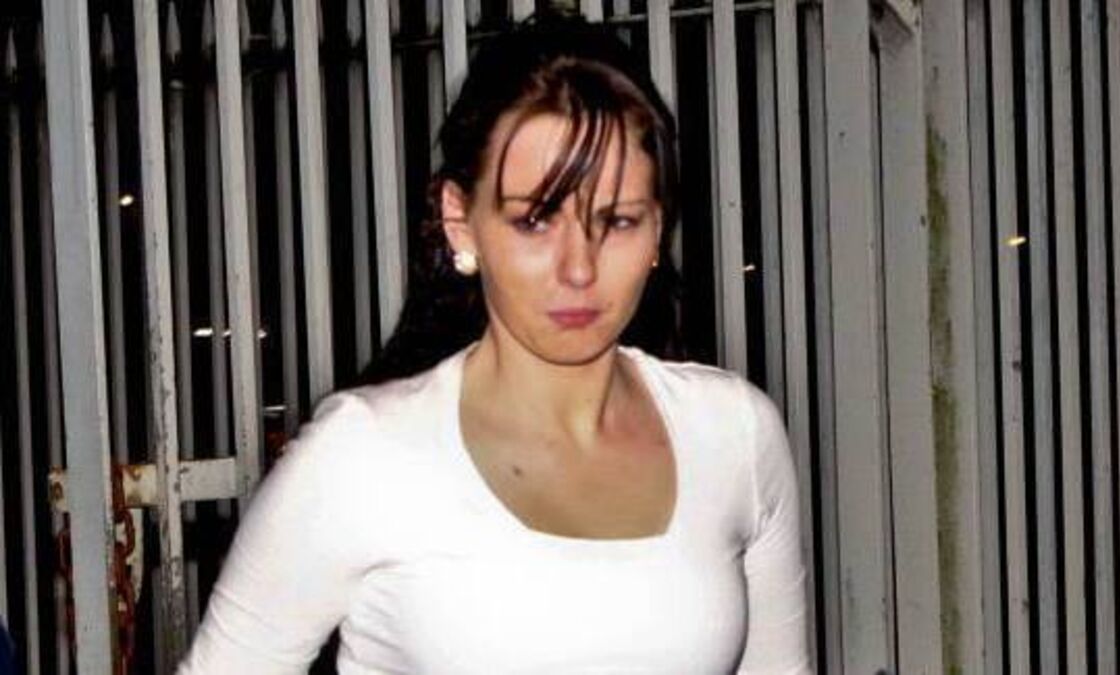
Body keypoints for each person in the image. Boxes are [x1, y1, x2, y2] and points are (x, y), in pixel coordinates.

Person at [178, 12, 811, 674]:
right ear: (461, 222)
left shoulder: (734, 434)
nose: (578, 268)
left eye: (618, 221)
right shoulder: (363, 455)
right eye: (535, 220)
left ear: (659, 228)